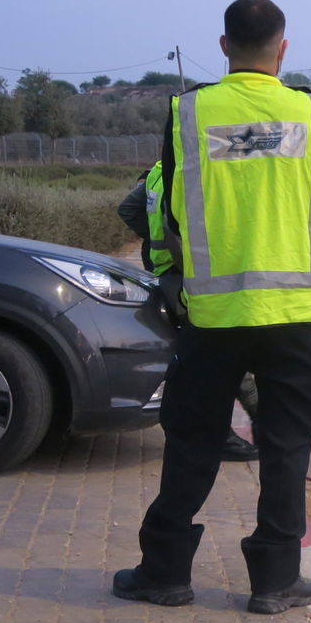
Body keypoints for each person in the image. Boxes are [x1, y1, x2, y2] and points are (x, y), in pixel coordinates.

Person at [113, 0, 311, 614]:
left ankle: (164, 572)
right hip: (297, 314)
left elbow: (166, 211)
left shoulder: (189, 113)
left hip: (213, 314)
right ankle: (274, 580)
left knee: (192, 439)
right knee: (286, 444)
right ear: (283, 47)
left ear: (223, 46)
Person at [118, 161, 260, 462]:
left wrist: (154, 243)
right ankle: (232, 434)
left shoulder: (158, 171)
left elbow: (129, 209)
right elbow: (179, 229)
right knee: (223, 357)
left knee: (200, 356)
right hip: (191, 279)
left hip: (171, 276)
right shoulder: (185, 170)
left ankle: (207, 429)